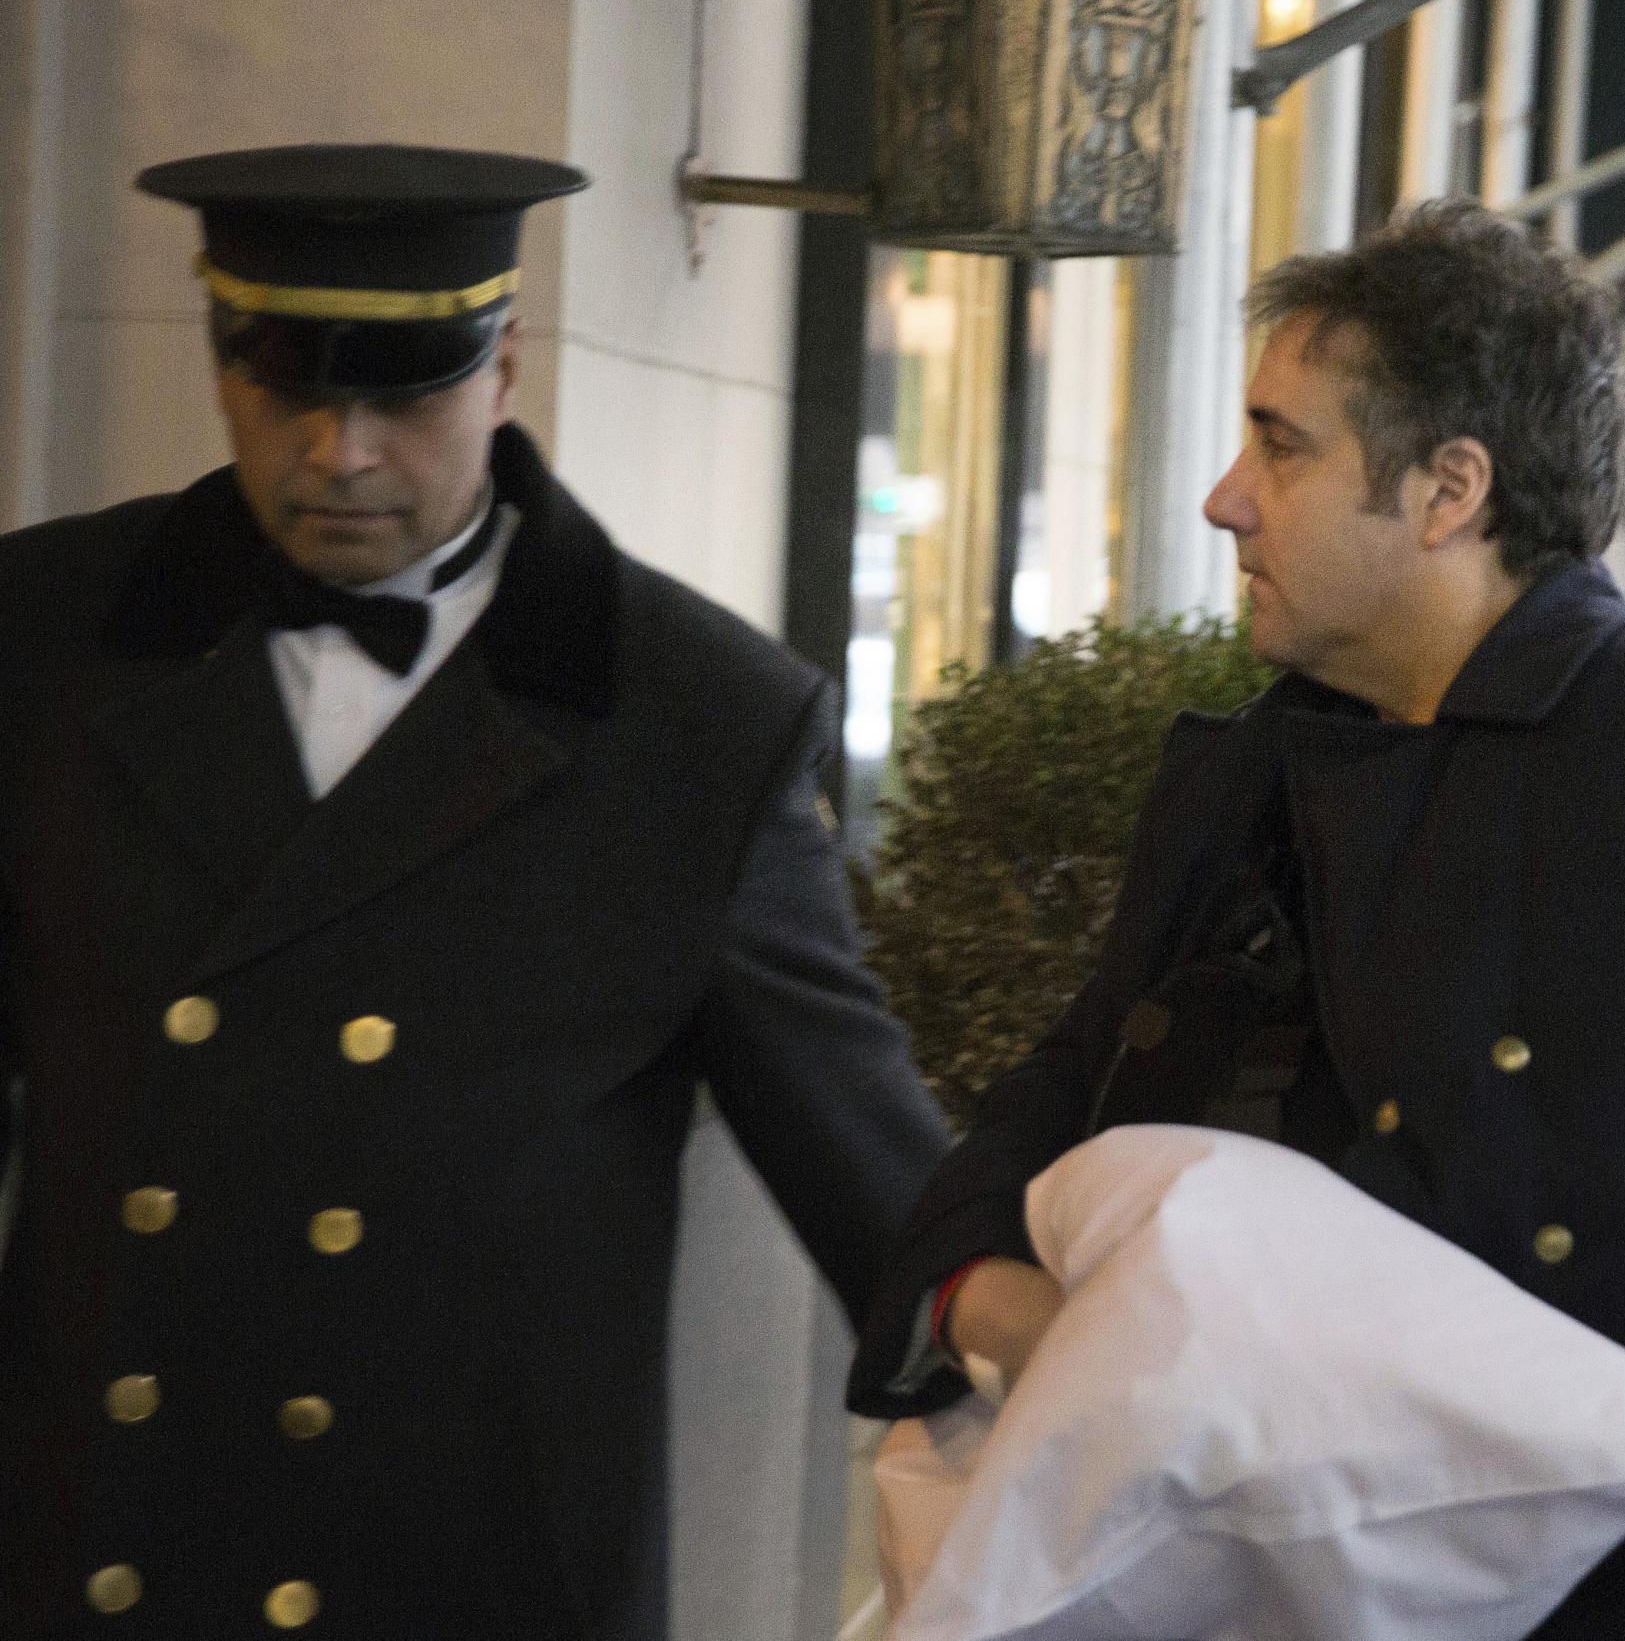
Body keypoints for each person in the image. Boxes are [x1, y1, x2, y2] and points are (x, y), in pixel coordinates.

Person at [849, 201, 1625, 1638]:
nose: (1225, 498)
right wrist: (1017, 1322)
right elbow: (1056, 1105)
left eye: (1282, 444)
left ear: (1449, 490)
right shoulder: (1248, 778)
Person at [0, 144, 950, 1638]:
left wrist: (1129, 1390)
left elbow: (871, 1168)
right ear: (218, 359)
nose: (341, 454)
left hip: (473, 1581)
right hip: (102, 1556)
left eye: (402, 396)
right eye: (290, 393)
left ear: (504, 365)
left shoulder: (692, 722)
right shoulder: (46, 639)